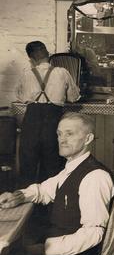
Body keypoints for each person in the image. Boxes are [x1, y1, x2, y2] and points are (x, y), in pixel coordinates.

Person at [0, 112, 114, 255]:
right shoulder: (71, 168)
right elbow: (44, 190)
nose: (62, 139)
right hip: (56, 249)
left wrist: (45, 249)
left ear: (88, 138)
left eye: (69, 134)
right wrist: (18, 195)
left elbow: (94, 233)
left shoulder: (94, 177)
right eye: (59, 134)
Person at [16, 41, 80, 188]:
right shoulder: (62, 72)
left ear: (31, 59)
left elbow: (21, 98)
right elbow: (74, 97)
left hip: (32, 121)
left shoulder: (26, 74)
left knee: (28, 166)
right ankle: (51, 207)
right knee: (53, 166)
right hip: (54, 121)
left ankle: (27, 206)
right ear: (48, 55)